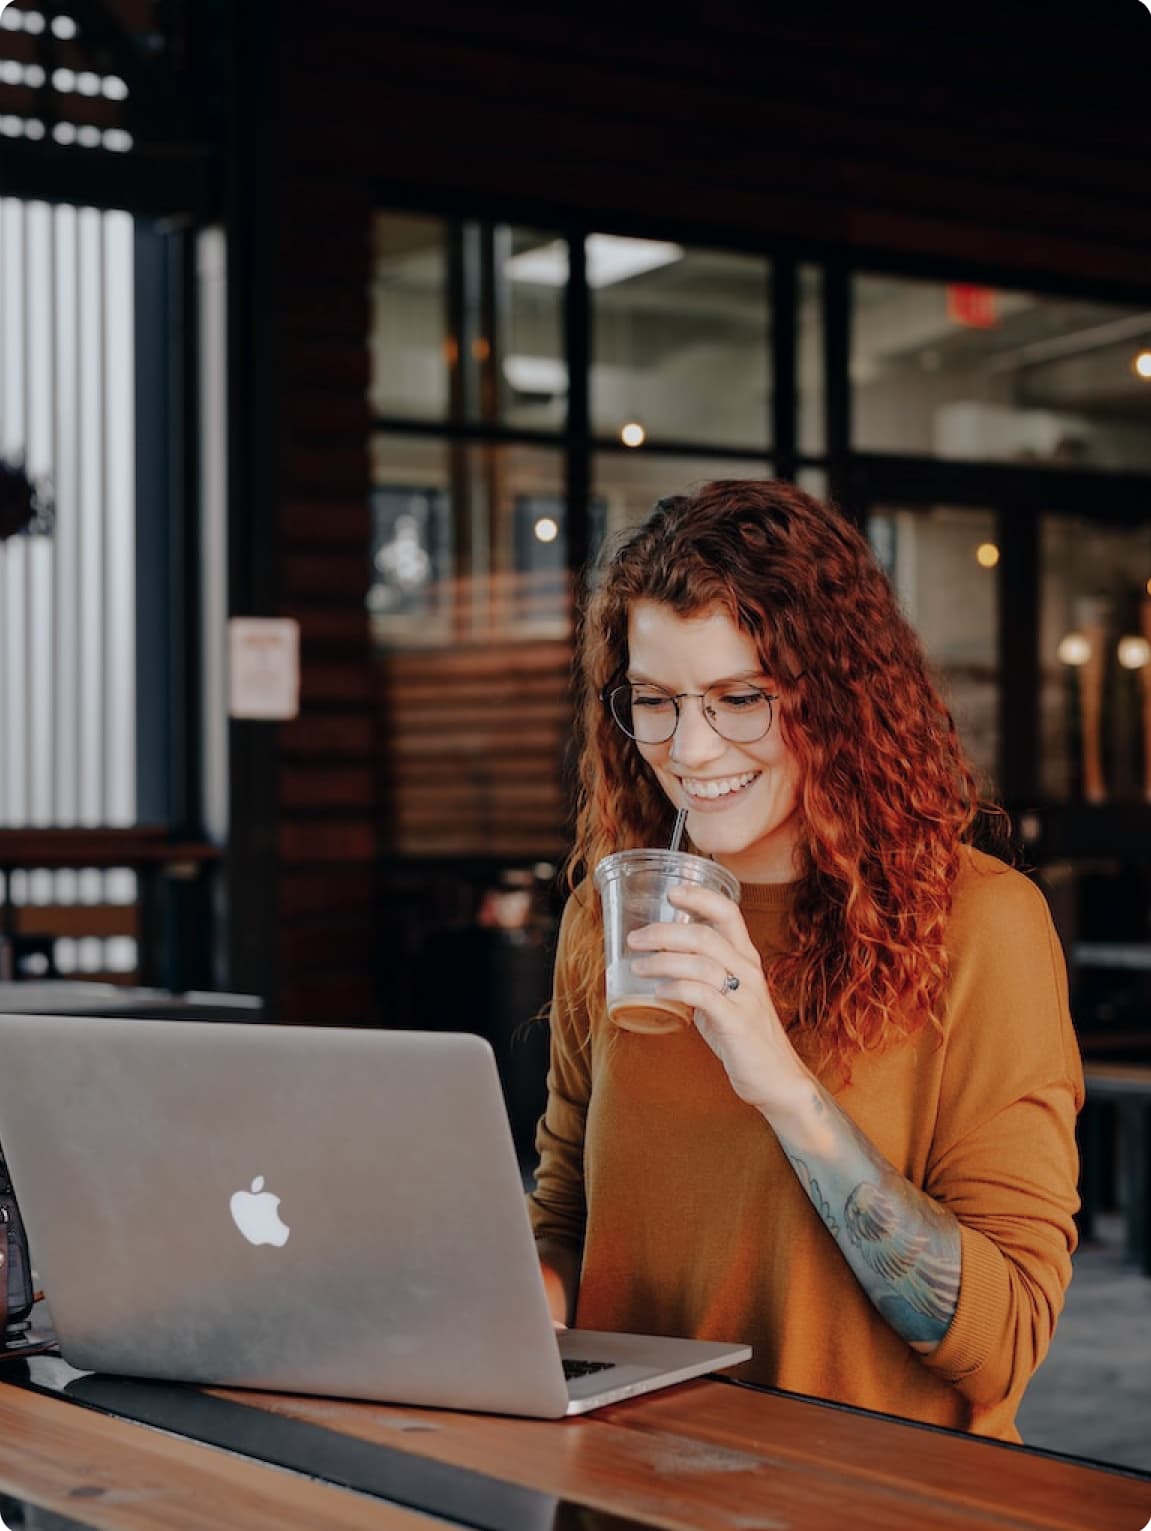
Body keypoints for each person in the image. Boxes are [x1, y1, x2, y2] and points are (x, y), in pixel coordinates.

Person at [528, 480, 1083, 1442]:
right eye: (654, 701)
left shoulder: (981, 924)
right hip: (630, 1488)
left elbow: (1002, 1343)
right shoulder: (609, 916)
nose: (690, 749)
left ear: (837, 695)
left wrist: (779, 1080)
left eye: (740, 698)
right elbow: (569, 1219)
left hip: (871, 1497)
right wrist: (483, 1297)